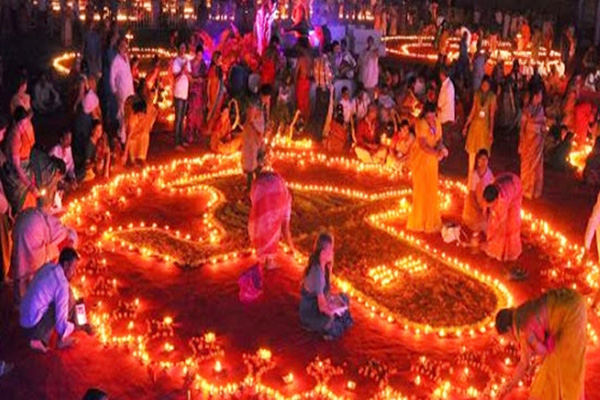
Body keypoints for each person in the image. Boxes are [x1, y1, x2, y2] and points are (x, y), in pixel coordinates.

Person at [494, 288, 586, 400]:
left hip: (572, 315)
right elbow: (546, 339)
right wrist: (537, 361)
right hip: (571, 298)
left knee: (569, 370)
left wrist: (510, 384)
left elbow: (524, 363)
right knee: (553, 363)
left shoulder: (522, 330)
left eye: (506, 337)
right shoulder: (520, 313)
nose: (509, 341)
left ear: (509, 329)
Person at [11, 192, 77, 303]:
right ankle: (27, 301)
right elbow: (50, 259)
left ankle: (21, 296)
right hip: (32, 229)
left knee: (21, 262)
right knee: (31, 270)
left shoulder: (60, 228)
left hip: (23, 220)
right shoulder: (64, 242)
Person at [20, 247, 80, 352]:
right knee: (69, 301)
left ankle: (35, 336)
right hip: (32, 327)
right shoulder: (61, 284)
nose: (75, 272)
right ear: (66, 265)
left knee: (65, 294)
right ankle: (43, 339)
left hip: (23, 318)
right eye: (74, 267)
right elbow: (61, 323)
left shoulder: (48, 266)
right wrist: (73, 326)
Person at [299, 233, 353, 340]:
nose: (333, 253)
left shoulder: (324, 266)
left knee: (344, 297)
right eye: (331, 250)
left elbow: (327, 290)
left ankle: (338, 321)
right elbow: (322, 307)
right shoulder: (317, 273)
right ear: (323, 253)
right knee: (330, 320)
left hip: (321, 301)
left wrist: (336, 303)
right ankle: (329, 327)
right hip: (312, 311)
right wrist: (335, 311)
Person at [407, 102, 447, 233]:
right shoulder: (420, 124)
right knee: (421, 188)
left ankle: (430, 219)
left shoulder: (437, 122)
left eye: (432, 116)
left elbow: (439, 139)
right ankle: (420, 220)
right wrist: (437, 153)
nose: (431, 119)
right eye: (428, 117)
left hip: (432, 160)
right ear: (424, 115)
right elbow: (423, 146)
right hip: (421, 158)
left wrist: (441, 147)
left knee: (431, 187)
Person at [248, 171, 294, 270]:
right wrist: (292, 247)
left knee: (262, 217)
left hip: (259, 184)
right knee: (271, 223)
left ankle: (266, 255)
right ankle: (269, 260)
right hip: (268, 185)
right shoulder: (285, 202)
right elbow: (285, 229)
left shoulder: (283, 195)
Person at [1, 106, 38, 214]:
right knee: (27, 199)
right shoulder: (15, 138)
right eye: (21, 124)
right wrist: (30, 186)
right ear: (15, 122)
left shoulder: (19, 131)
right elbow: (17, 167)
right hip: (14, 172)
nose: (24, 127)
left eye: (26, 124)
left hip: (23, 167)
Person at [463, 76, 496, 186]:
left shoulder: (492, 97)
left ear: (489, 86)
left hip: (484, 129)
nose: (484, 87)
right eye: (483, 85)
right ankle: (470, 182)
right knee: (471, 156)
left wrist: (491, 131)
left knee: (483, 156)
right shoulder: (477, 94)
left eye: (486, 85)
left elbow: (491, 116)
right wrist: (466, 125)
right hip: (475, 127)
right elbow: (473, 111)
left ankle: (483, 183)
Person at [483, 172, 522, 261]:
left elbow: (502, 226)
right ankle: (494, 249)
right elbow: (486, 205)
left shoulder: (503, 200)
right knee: (494, 219)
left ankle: (508, 253)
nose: (489, 206)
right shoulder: (490, 190)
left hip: (515, 189)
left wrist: (490, 242)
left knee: (511, 223)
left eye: (491, 204)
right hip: (506, 179)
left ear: (496, 199)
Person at [519, 87, 546, 200]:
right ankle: (526, 188)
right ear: (535, 96)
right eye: (540, 95)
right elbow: (522, 127)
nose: (541, 97)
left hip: (537, 140)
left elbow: (543, 124)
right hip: (528, 140)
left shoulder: (541, 109)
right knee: (527, 164)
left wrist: (543, 130)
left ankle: (535, 189)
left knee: (536, 165)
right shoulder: (527, 110)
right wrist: (521, 141)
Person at [462, 149, 494, 237]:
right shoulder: (474, 174)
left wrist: (486, 206)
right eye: (481, 159)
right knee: (475, 222)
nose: (483, 162)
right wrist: (477, 206)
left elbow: (491, 194)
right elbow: (471, 194)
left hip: (486, 204)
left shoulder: (490, 175)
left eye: (485, 159)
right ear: (478, 161)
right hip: (474, 204)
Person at [109, 37, 135, 145]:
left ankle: (128, 136)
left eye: (126, 45)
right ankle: (122, 139)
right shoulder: (116, 60)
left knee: (130, 113)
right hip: (122, 91)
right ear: (119, 47)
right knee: (122, 114)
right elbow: (112, 77)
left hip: (129, 90)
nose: (125, 48)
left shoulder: (126, 58)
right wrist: (115, 91)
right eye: (123, 46)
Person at [185, 44, 207, 144]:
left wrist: (201, 80)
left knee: (199, 111)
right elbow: (188, 75)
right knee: (191, 111)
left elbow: (205, 77)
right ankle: (189, 132)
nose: (199, 57)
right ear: (195, 54)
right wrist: (193, 80)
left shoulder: (203, 65)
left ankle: (197, 131)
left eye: (201, 55)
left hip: (200, 90)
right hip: (193, 90)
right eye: (198, 55)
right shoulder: (190, 63)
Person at [172, 42, 191, 151]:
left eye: (184, 47)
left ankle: (181, 140)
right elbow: (175, 78)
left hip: (185, 93)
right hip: (178, 93)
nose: (183, 49)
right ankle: (176, 143)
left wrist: (187, 73)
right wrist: (182, 71)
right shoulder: (176, 62)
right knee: (178, 118)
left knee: (183, 118)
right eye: (181, 47)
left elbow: (189, 76)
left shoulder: (187, 61)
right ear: (178, 49)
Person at [242, 101, 265, 190]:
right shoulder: (253, 105)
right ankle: (250, 186)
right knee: (250, 161)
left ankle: (258, 183)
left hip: (257, 137)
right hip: (251, 136)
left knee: (259, 159)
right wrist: (257, 133)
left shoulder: (262, 106)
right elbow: (250, 121)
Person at [206, 51, 226, 133]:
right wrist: (208, 97)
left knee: (217, 111)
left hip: (220, 92)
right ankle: (209, 129)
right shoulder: (212, 69)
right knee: (212, 111)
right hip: (213, 92)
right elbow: (209, 83)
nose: (220, 60)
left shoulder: (220, 69)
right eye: (219, 59)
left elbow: (223, 79)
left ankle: (213, 131)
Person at [295, 37, 312, 122]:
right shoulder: (309, 57)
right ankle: (306, 120)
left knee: (300, 102)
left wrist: (295, 82)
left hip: (301, 81)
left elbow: (296, 72)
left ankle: (301, 121)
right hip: (308, 82)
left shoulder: (301, 58)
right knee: (306, 102)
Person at [437, 67, 455, 143]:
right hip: (442, 115)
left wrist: (440, 108)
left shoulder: (449, 86)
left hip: (446, 116)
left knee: (445, 136)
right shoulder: (445, 85)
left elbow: (448, 101)